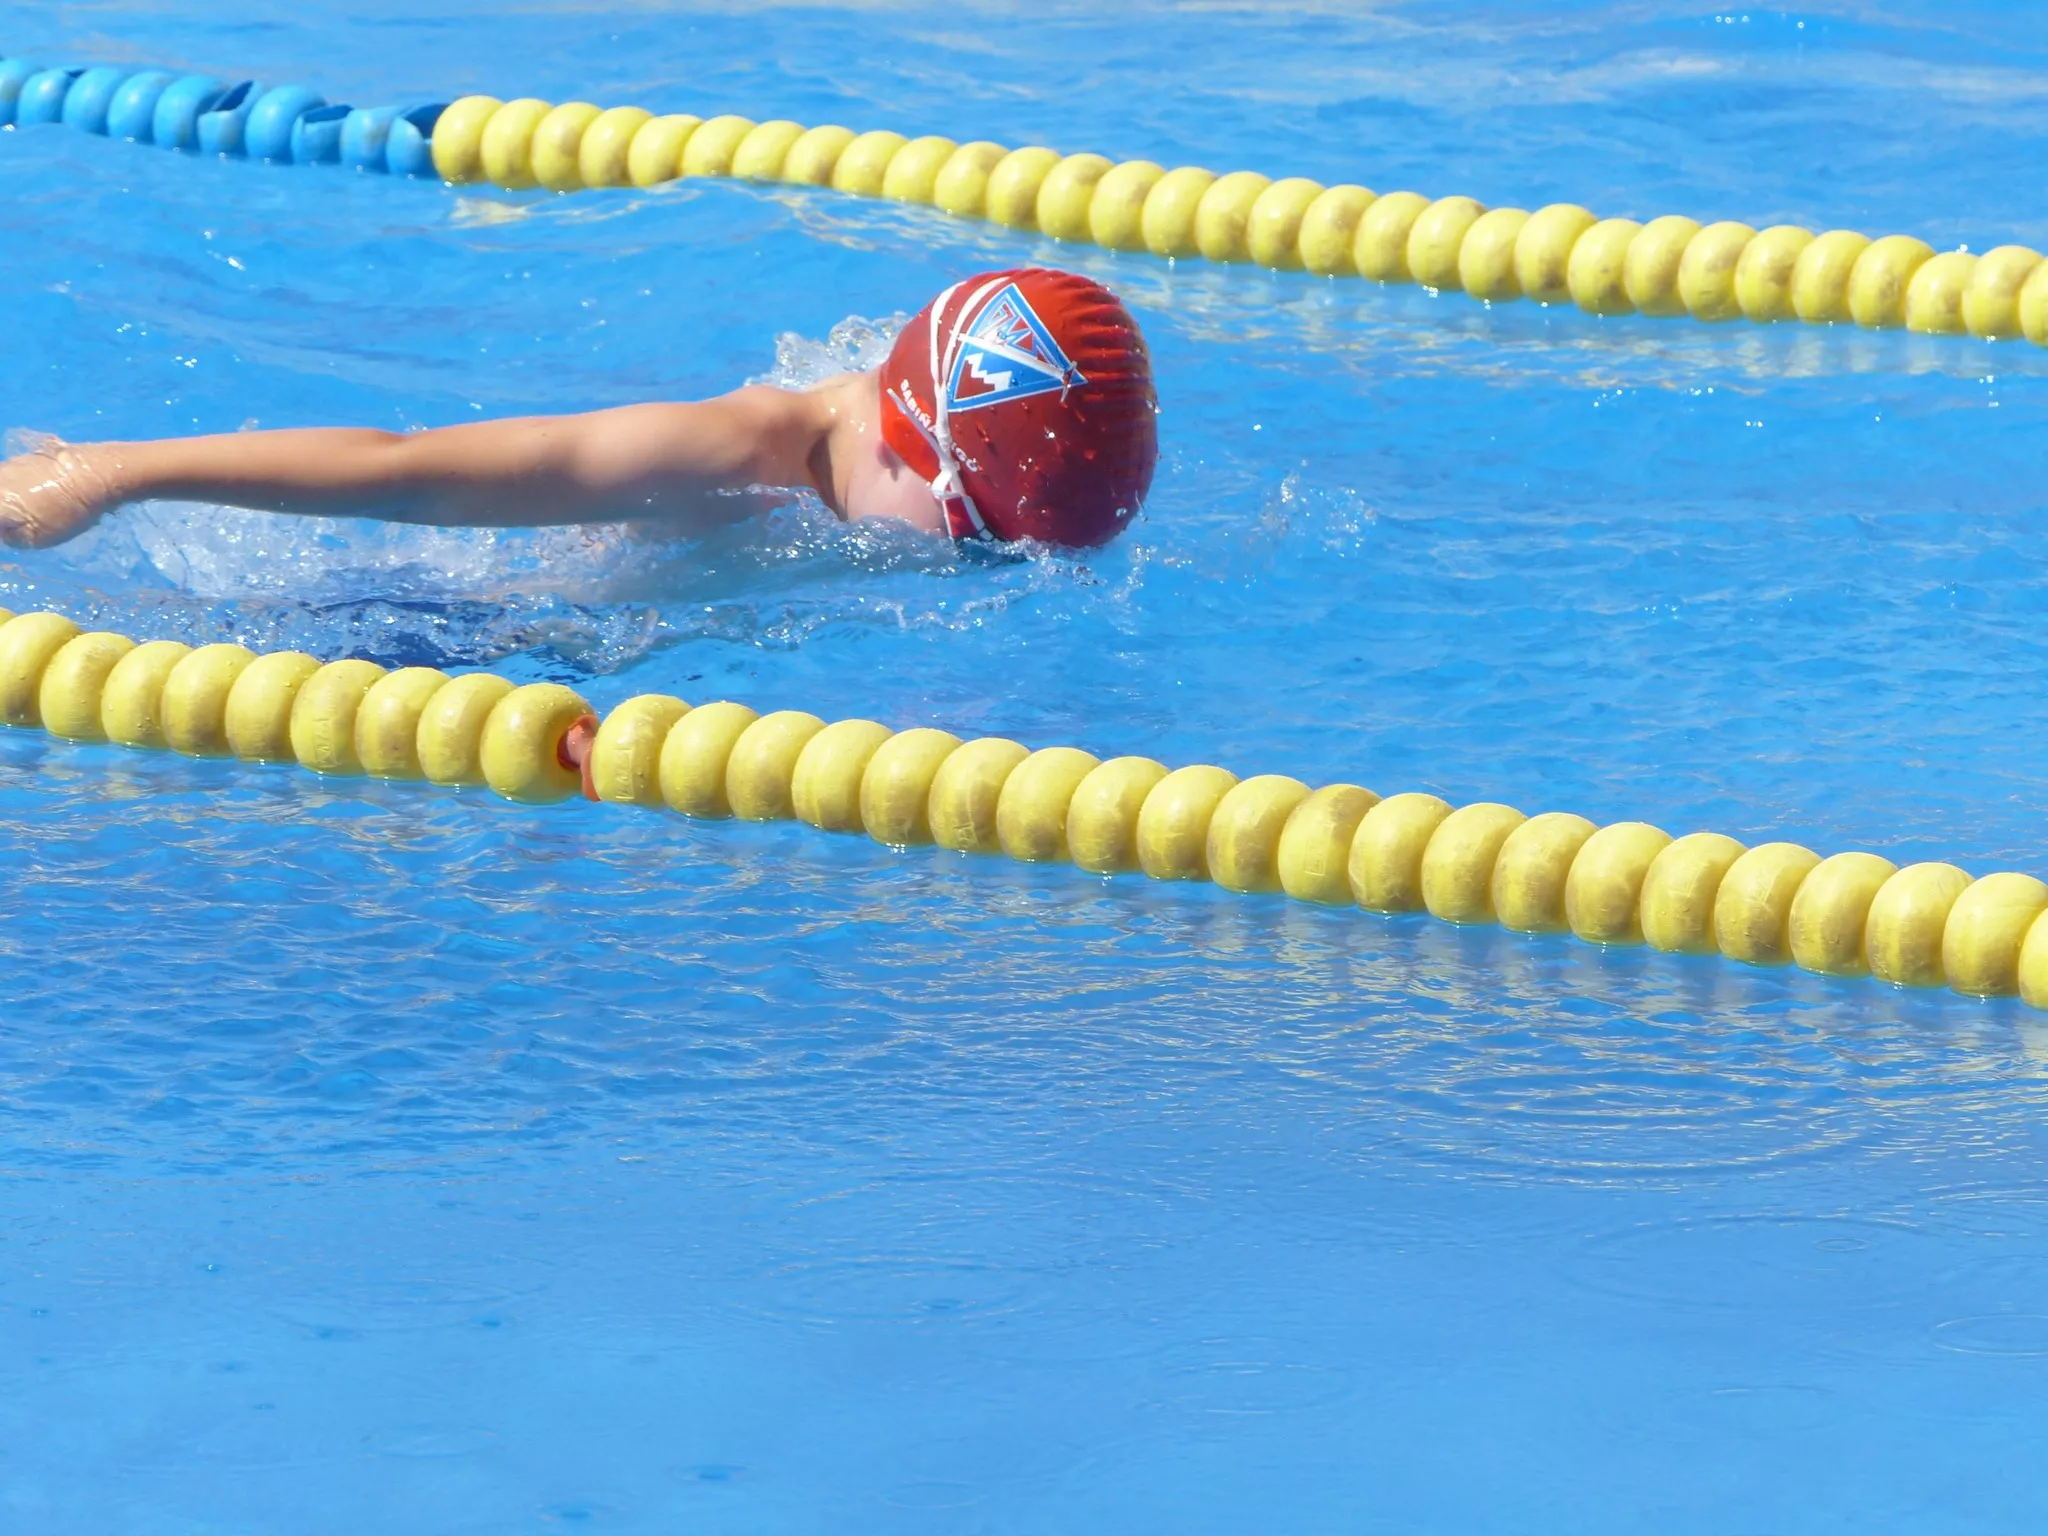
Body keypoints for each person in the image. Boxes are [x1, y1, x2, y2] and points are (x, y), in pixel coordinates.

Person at [0, 267, 1158, 555]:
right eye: (977, 543)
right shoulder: (719, 452)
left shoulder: (891, 443)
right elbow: (409, 468)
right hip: (431, 619)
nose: (981, 568)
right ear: (907, 452)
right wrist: (110, 472)